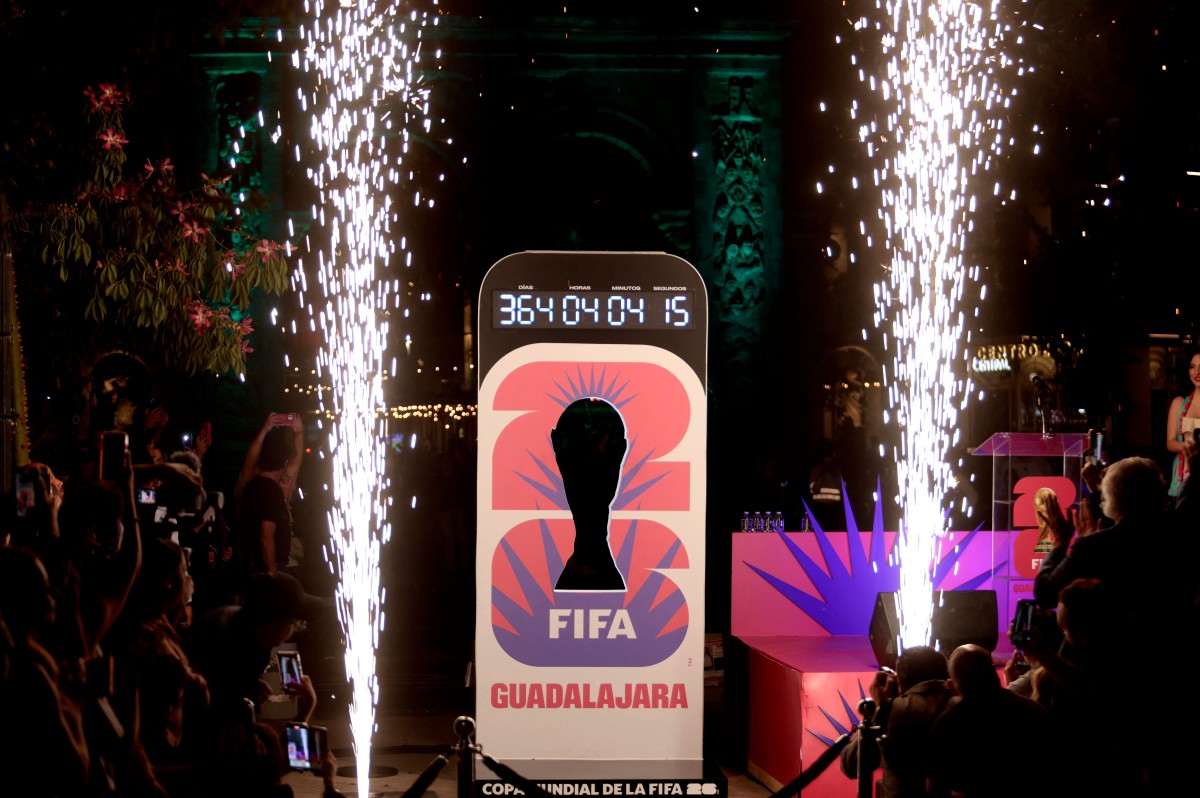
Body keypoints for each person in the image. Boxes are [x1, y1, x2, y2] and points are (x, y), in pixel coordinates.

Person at [928, 644, 1055, 797]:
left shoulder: (947, 725)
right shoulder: (1035, 711)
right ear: (994, 672)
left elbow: (934, 788)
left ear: (952, 686)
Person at [839, 645, 952, 798]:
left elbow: (851, 765)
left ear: (901, 682)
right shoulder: (967, 706)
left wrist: (879, 707)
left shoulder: (893, 710)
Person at [235, 413, 305, 575]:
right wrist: (272, 574)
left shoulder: (251, 484)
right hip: (267, 567)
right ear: (283, 463)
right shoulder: (270, 490)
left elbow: (248, 465)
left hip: (253, 563)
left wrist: (265, 431)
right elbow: (266, 536)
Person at [1165, 348, 1200, 497]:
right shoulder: (1179, 403)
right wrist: (1190, 447)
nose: (1197, 372)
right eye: (1192, 367)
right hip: (1183, 478)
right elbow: (1170, 443)